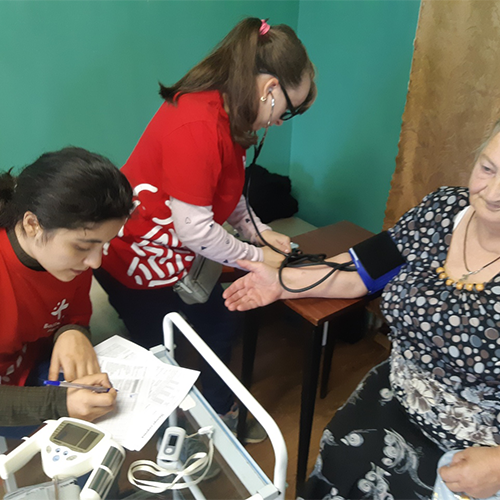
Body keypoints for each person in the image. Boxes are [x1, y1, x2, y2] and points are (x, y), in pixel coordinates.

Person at [223, 121, 500, 498]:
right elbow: (363, 271)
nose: (492, 193)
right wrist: (281, 282)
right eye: (487, 168)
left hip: (473, 452)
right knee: (337, 464)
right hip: (394, 394)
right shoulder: (443, 208)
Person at [94, 17, 316, 430]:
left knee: (222, 318)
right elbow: (196, 230)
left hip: (176, 253)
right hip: (135, 258)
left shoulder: (229, 114)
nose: (281, 121)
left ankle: (218, 412)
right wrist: (257, 258)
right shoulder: (198, 124)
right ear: (270, 88)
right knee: (160, 353)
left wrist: (261, 233)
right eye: (290, 108)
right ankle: (169, 433)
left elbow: (227, 193)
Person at [0, 147, 133, 427]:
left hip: (32, 363)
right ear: (32, 224)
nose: (95, 262)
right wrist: (58, 405)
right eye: (83, 247)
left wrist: (71, 331)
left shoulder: (70, 261)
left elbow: (73, 313)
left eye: (103, 245)